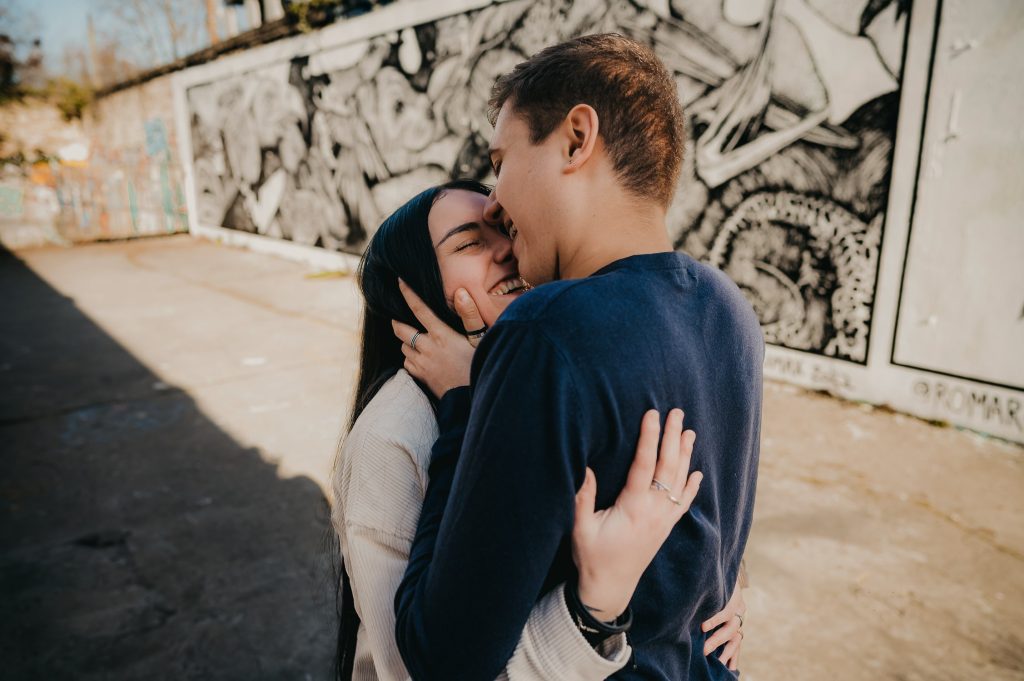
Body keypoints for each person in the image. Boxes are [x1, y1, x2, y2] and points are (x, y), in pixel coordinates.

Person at [390, 34, 763, 680]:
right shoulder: (733, 311)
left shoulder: (547, 332)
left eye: (501, 159)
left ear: (575, 139)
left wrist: (465, 399)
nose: (498, 202)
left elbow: (443, 654)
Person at [332, 179, 747, 680]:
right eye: (469, 243)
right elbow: (413, 672)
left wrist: (722, 580)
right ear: (414, 290)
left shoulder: (557, 365)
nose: (506, 250)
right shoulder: (391, 436)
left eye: (503, 229)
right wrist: (592, 616)